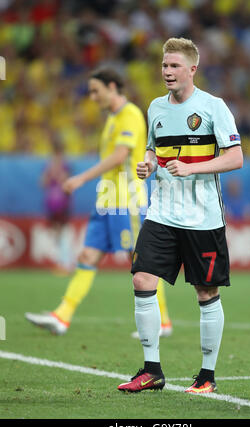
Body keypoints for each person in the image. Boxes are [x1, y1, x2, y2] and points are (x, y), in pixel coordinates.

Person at [117, 37, 243, 394]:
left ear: (192, 69)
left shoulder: (213, 107)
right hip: (162, 213)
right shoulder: (155, 108)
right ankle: (152, 370)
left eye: (174, 66)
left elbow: (235, 158)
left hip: (202, 217)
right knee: (142, 279)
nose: (167, 72)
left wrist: (194, 168)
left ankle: (207, 376)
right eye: (164, 65)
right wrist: (149, 166)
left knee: (205, 291)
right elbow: (154, 154)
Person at [25, 67, 172, 337]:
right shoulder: (113, 119)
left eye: (96, 90)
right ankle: (62, 317)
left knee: (140, 261)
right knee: (87, 256)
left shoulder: (130, 115)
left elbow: (120, 156)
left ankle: (162, 322)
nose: (92, 97)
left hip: (126, 200)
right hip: (107, 200)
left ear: (113, 86)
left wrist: (80, 178)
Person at [42, 137, 73, 273]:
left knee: (62, 232)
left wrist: (57, 174)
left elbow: (66, 182)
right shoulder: (50, 166)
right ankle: (62, 262)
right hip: (52, 203)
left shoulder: (64, 165)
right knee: (56, 233)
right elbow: (43, 182)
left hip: (62, 203)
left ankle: (66, 263)